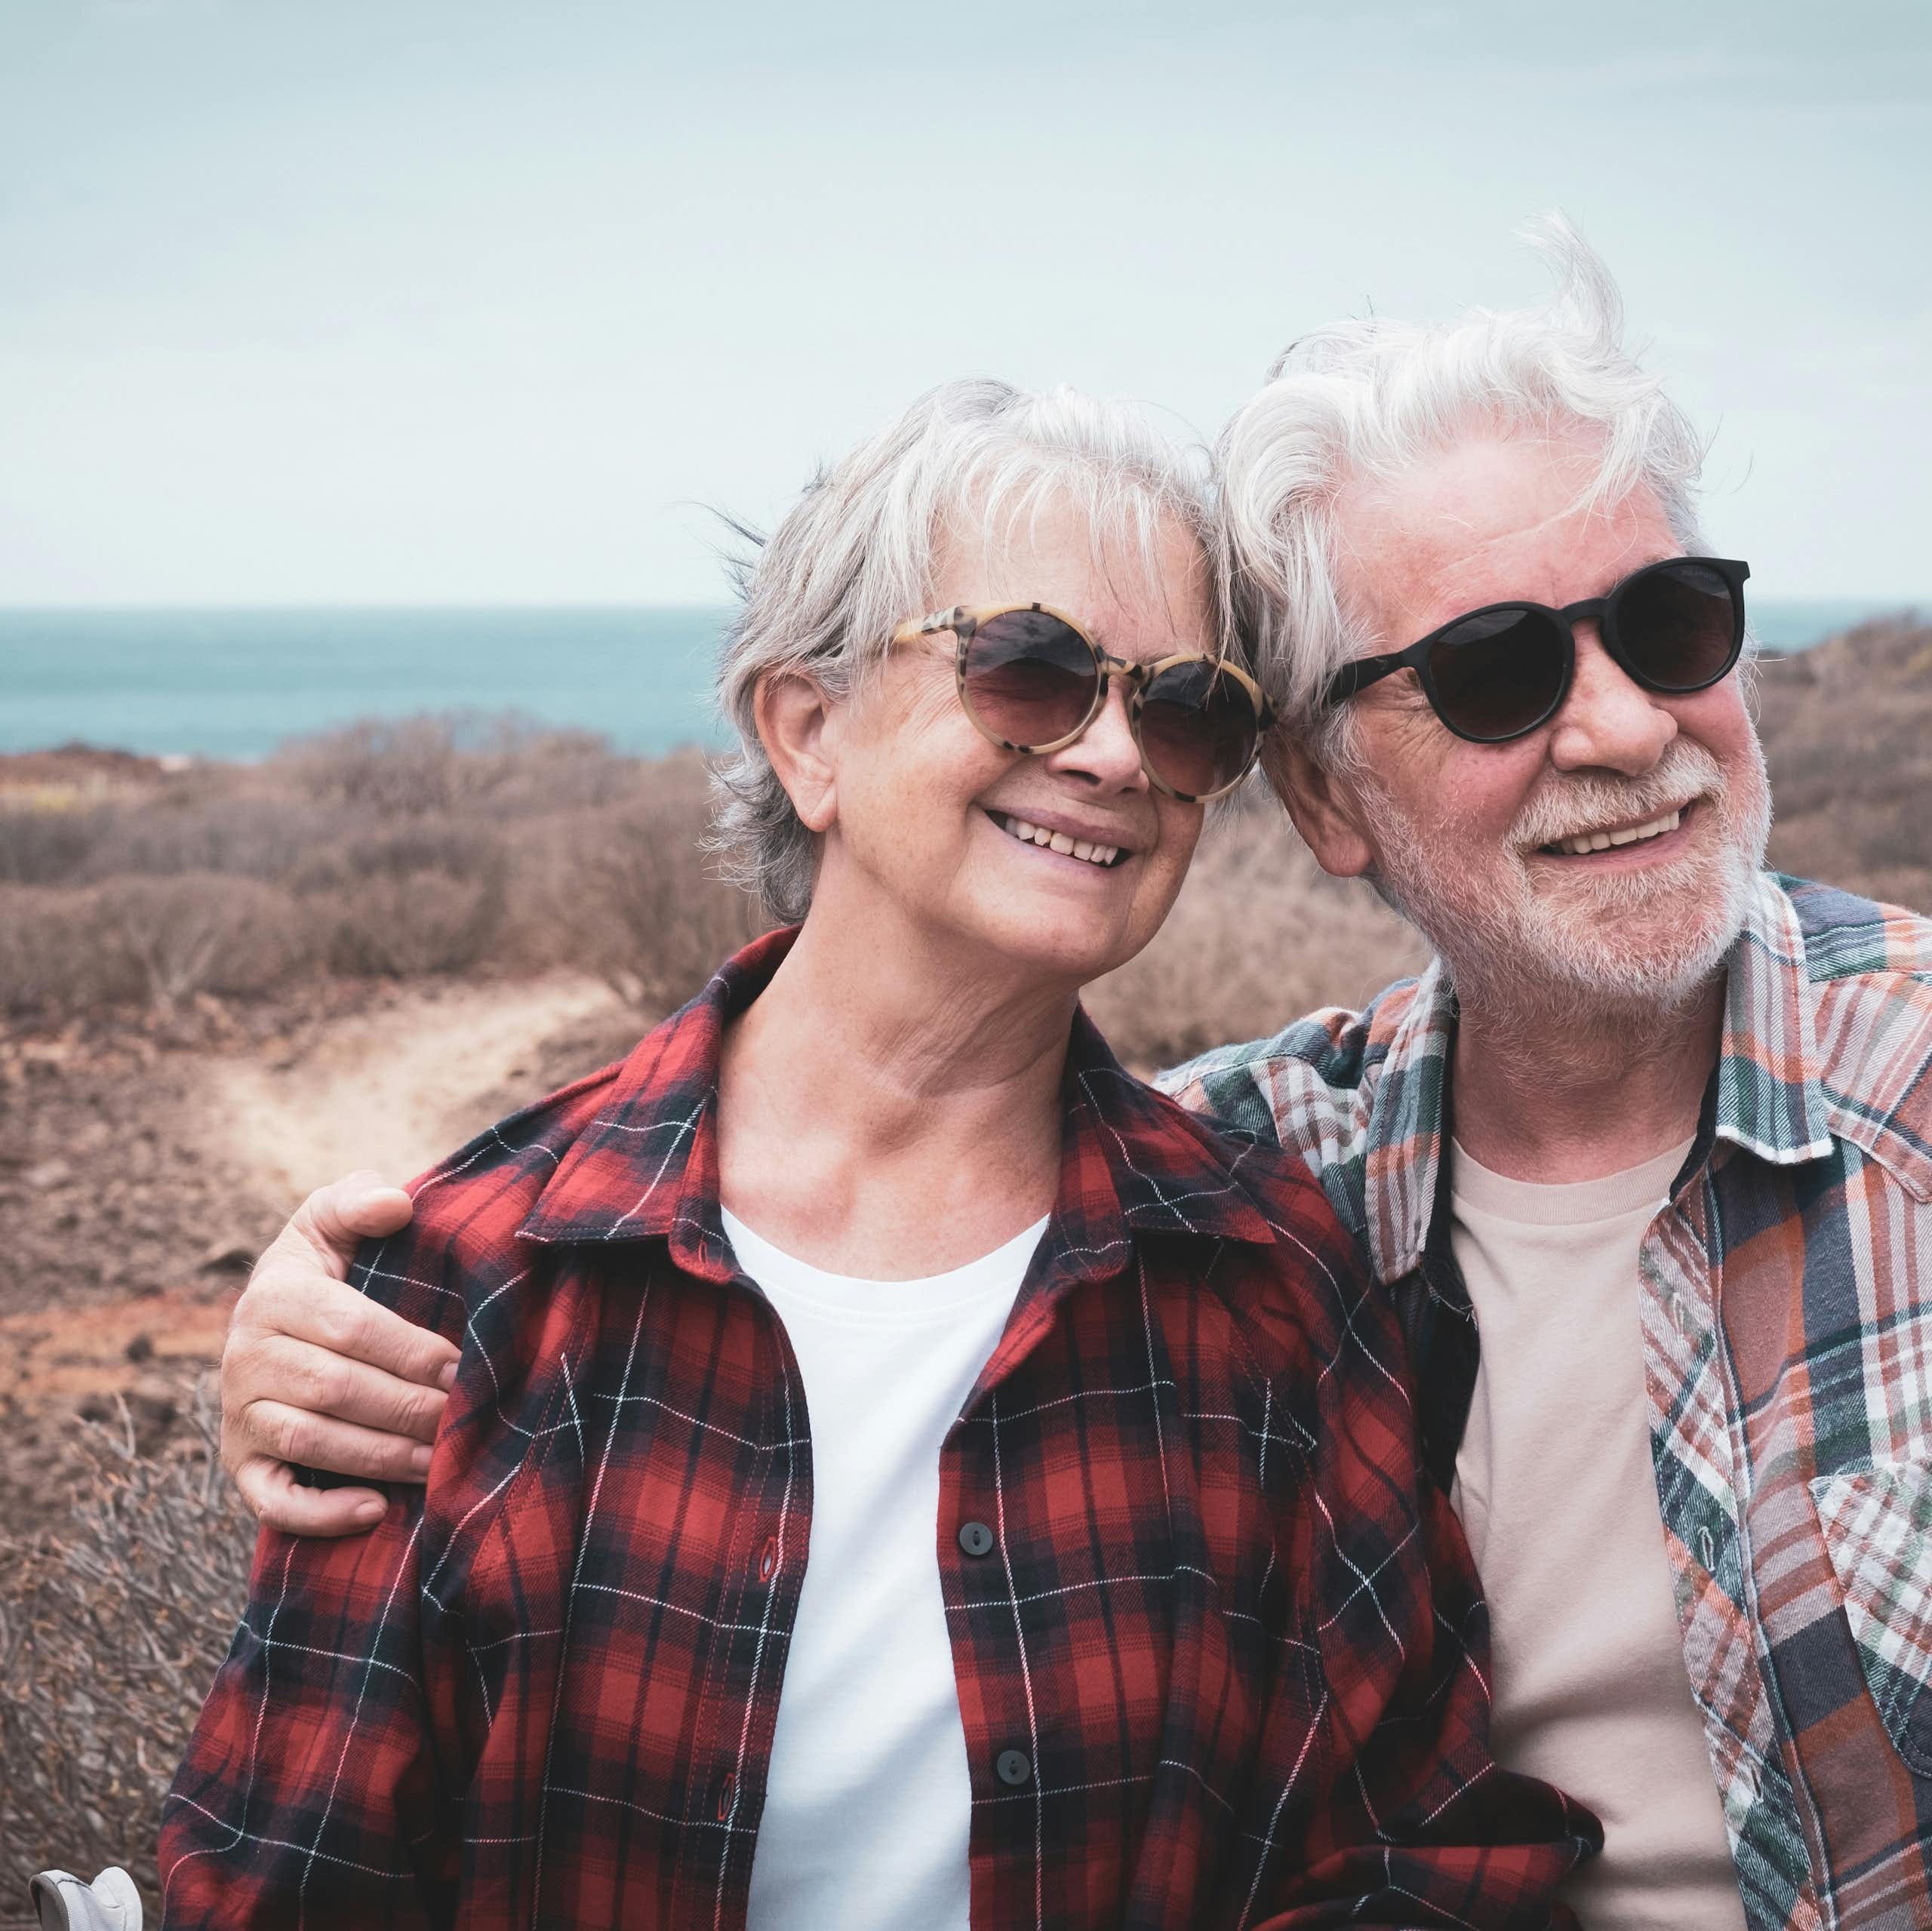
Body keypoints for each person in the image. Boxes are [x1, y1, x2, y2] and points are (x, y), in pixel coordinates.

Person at [228, 225, 1932, 1929]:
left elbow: (1396, 1855)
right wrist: (318, 1313)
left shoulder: (1256, 1269)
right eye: (1027, 668)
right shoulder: (1273, 1187)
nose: (1628, 723)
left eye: (1185, 710)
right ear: (805, 730)